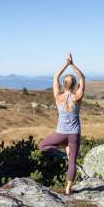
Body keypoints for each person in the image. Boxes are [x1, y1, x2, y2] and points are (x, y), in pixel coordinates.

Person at [38, 53, 85, 195]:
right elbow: (82, 77)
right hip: (74, 134)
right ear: (75, 85)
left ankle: (61, 149)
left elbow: (55, 77)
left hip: (61, 133)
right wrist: (72, 65)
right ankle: (68, 189)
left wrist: (65, 64)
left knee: (42, 146)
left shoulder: (58, 97)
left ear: (63, 85)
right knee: (72, 162)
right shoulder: (78, 97)